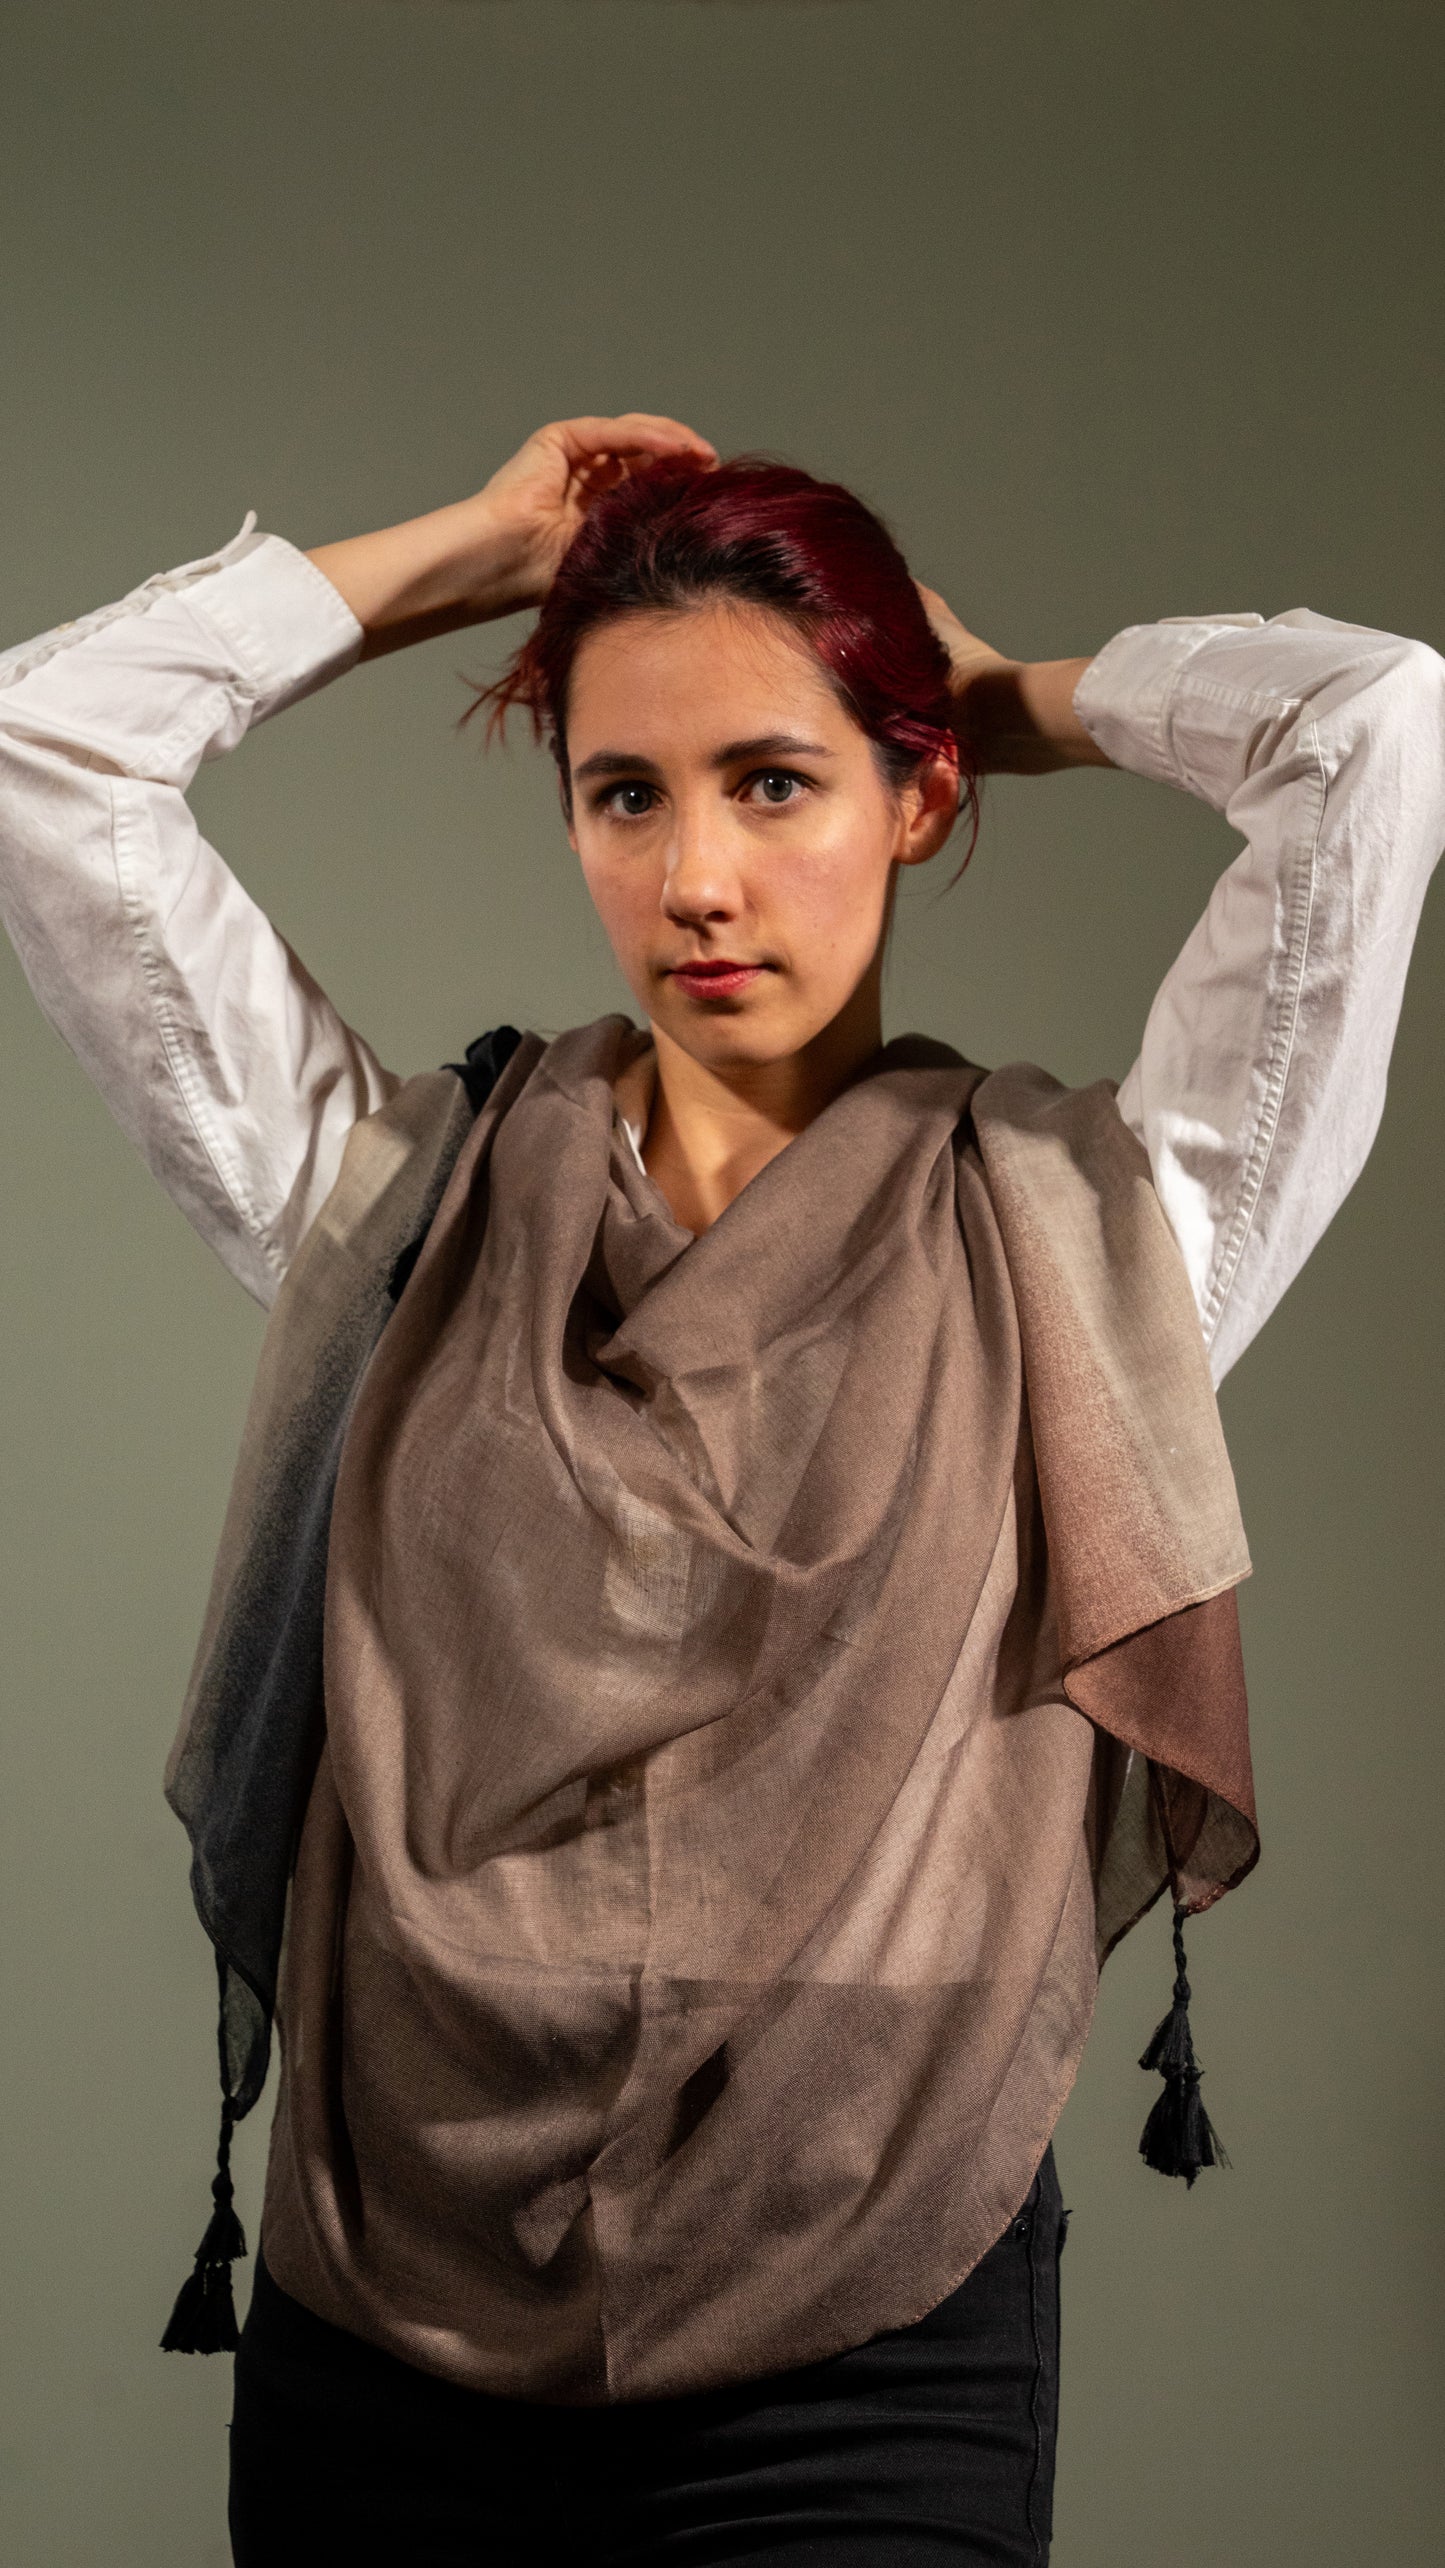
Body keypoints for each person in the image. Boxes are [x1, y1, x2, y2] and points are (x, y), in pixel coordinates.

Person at [2, 413, 1442, 2568]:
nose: (694, 878)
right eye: (625, 792)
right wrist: (467, 554)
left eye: (775, 782)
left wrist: (1013, 697)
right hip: (389, 2319)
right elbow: (51, 749)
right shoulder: (395, 1218)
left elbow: (1371, 725)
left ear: (912, 795)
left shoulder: (1092, 1242)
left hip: (870, 2330)